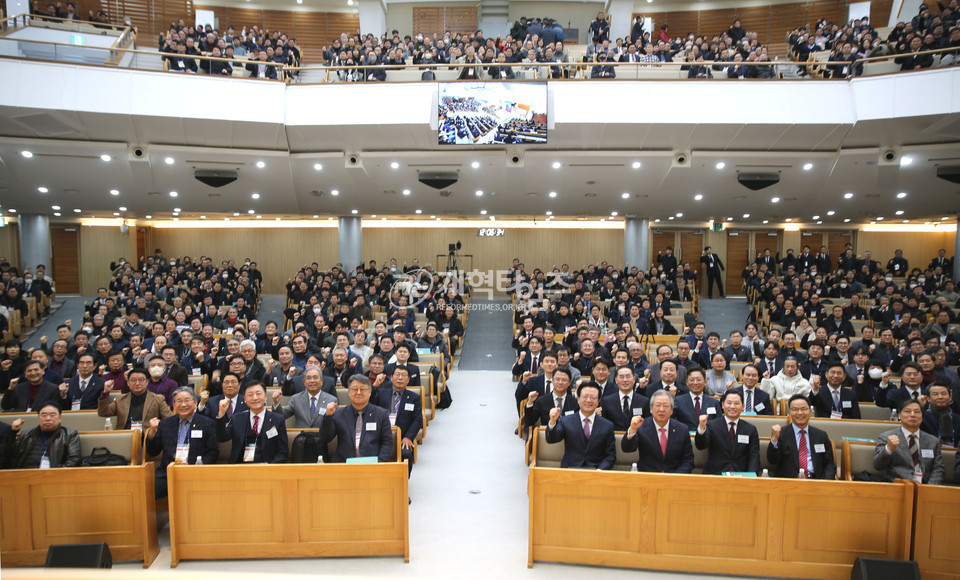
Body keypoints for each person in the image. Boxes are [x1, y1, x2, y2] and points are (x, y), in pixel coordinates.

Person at [145, 386, 219, 497]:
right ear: (174, 405)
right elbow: (152, 452)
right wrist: (152, 433)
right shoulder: (166, 423)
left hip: (196, 472)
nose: (183, 405)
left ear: (195, 403)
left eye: (187, 401)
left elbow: (213, 452)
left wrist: (198, 466)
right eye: (179, 401)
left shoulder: (207, 423)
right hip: (168, 473)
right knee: (146, 487)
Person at [544, 382, 616, 470]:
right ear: (578, 399)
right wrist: (552, 421)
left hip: (596, 473)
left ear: (598, 401)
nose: (588, 400)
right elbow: (551, 439)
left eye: (593, 397)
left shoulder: (607, 426)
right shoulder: (566, 421)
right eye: (585, 396)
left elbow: (610, 456)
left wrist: (599, 471)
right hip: (570, 471)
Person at [323, 375, 394, 463]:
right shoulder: (339, 414)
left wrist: (379, 463)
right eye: (355, 389)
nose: (359, 392)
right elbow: (326, 438)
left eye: (363, 389)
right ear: (349, 392)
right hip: (343, 464)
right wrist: (328, 416)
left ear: (370, 391)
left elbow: (387, 442)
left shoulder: (381, 414)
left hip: (372, 464)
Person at [621, 390, 694, 473]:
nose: (661, 409)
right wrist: (632, 429)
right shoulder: (641, 426)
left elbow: (688, 461)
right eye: (658, 405)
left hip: (675, 478)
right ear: (651, 409)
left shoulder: (682, 429)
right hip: (648, 478)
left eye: (666, 406)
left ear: (671, 410)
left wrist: (676, 477)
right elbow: (627, 448)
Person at [216, 380, 288, 463]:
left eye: (258, 393)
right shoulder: (237, 418)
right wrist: (221, 413)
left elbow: (282, 452)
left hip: (267, 468)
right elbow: (222, 437)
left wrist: (269, 468)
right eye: (250, 395)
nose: (255, 398)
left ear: (265, 396)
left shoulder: (278, 420)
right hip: (240, 469)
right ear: (245, 399)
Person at [874, 399, 944, 484]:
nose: (913, 415)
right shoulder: (886, 437)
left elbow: (938, 469)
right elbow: (878, 466)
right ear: (899, 415)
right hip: (898, 486)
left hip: (926, 487)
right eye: (907, 411)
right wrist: (888, 449)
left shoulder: (933, 441)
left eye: (917, 412)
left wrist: (929, 489)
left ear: (922, 416)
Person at [767, 394, 837, 479]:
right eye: (795, 409)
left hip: (816, 481)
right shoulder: (781, 433)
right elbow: (772, 461)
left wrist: (826, 482)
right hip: (789, 481)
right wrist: (774, 439)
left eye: (804, 409)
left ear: (810, 412)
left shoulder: (821, 435)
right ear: (789, 412)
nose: (800, 413)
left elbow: (830, 464)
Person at [694, 390, 759, 475]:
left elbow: (754, 456)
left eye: (736, 403)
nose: (732, 406)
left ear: (743, 406)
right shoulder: (712, 426)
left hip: (741, 476)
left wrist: (751, 477)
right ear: (723, 405)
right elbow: (700, 446)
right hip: (716, 475)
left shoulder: (750, 429)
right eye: (729, 403)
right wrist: (702, 428)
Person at [371, 366, 421, 474]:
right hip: (380, 436)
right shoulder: (381, 393)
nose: (400, 378)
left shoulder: (414, 398)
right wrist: (375, 385)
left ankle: (403, 484)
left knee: (406, 454)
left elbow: (417, 420)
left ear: (408, 380)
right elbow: (369, 404)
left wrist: (408, 437)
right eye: (397, 375)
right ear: (391, 377)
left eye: (404, 375)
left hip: (401, 438)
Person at [2, 403, 81, 468]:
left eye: (52, 415)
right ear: (38, 417)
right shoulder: (26, 434)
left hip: (53, 477)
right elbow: (8, 454)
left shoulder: (69, 434)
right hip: (24, 475)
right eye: (43, 415)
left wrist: (56, 474)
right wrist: (13, 432)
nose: (48, 418)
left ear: (60, 418)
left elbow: (74, 459)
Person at [98, 368, 173, 430]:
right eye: (133, 380)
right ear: (128, 383)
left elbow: (170, 420)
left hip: (148, 438)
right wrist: (105, 392)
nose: (137, 383)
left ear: (147, 382)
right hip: (124, 436)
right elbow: (103, 412)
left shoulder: (158, 399)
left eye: (141, 380)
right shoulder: (120, 399)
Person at [271, 365, 337, 429]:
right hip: (301, 438)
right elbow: (281, 416)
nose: (312, 381)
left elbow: (336, 422)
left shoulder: (331, 400)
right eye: (308, 378)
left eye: (315, 377)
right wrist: (276, 403)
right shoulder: (296, 399)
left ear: (321, 381)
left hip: (323, 438)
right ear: (304, 382)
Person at [599, 365, 649, 430]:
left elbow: (646, 425)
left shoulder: (644, 401)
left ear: (634, 379)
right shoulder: (607, 401)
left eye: (628, 376)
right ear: (616, 380)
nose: (625, 380)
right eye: (621, 377)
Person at [920, 381, 960, 447]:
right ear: (928, 398)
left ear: (950, 397)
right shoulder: (922, 418)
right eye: (935, 394)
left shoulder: (958, 419)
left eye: (944, 394)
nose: (940, 397)